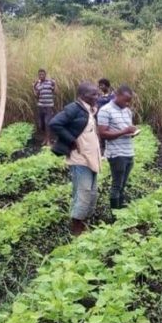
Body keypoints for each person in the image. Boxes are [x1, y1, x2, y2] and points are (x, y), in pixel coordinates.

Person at [49, 81, 102, 236]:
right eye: (93, 94)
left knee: (92, 193)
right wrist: (71, 140)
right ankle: (76, 228)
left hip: (91, 157)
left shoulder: (90, 110)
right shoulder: (74, 108)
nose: (96, 96)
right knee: (83, 192)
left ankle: (84, 222)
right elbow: (55, 123)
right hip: (80, 158)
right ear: (82, 96)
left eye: (97, 93)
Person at [97, 85, 138, 210]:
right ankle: (115, 215)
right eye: (125, 100)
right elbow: (103, 134)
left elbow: (125, 130)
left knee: (123, 185)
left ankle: (121, 213)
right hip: (116, 153)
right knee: (117, 186)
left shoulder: (127, 111)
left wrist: (132, 132)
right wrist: (125, 131)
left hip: (128, 152)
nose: (127, 103)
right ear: (117, 95)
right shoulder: (105, 110)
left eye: (129, 101)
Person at [33, 69, 56, 146]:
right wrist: (33, 87)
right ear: (38, 76)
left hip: (49, 106)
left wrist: (55, 85)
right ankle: (45, 139)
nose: (41, 76)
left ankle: (48, 140)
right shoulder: (38, 84)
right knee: (41, 124)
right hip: (40, 106)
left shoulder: (50, 82)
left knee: (47, 123)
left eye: (42, 74)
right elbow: (36, 96)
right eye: (40, 75)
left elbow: (55, 92)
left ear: (45, 75)